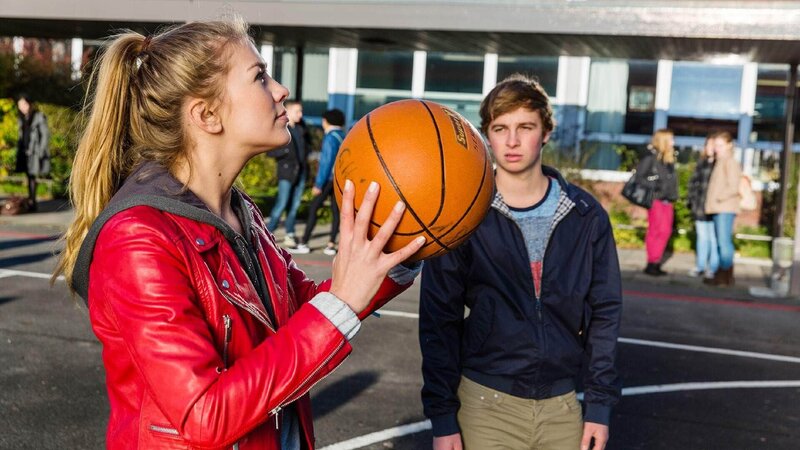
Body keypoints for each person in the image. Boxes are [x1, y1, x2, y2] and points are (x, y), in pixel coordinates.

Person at [52, 19, 425, 450]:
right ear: (206, 115)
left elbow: (301, 307)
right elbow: (203, 415)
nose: (281, 89)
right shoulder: (138, 239)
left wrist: (396, 251)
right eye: (260, 77)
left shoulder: (238, 211)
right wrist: (341, 304)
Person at [419, 74, 622, 450]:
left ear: (545, 132)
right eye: (501, 128)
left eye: (525, 127)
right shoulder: (462, 215)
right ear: (486, 134)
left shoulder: (585, 215)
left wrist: (599, 406)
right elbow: (438, 318)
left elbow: (605, 314)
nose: (512, 141)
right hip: (484, 402)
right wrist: (443, 416)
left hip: (562, 408)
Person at [289, 108, 345, 255]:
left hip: (328, 179)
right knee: (336, 211)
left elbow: (326, 162)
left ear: (326, 121)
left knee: (314, 207)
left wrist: (318, 184)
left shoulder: (330, 138)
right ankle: (331, 244)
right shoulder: (344, 136)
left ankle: (304, 242)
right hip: (340, 180)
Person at [267, 100, 310, 247]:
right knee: (282, 204)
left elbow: (307, 148)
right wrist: (285, 151)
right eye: (298, 111)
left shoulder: (301, 128)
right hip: (287, 172)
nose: (301, 114)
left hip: (301, 172)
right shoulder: (281, 128)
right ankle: (267, 232)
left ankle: (289, 234)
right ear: (289, 111)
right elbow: (271, 151)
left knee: (294, 206)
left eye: (301, 111)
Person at [636, 129, 678, 276]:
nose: (673, 142)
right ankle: (652, 262)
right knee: (656, 231)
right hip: (656, 199)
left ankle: (655, 260)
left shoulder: (668, 160)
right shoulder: (651, 158)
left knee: (665, 231)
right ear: (664, 140)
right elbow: (640, 177)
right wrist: (656, 186)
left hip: (668, 200)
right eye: (671, 139)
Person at [704, 131, 741, 286]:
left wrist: (718, 197)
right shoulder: (720, 161)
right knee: (720, 243)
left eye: (720, 145)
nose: (716, 148)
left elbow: (733, 186)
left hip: (724, 207)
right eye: (715, 145)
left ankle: (725, 275)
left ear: (729, 145)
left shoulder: (730, 161)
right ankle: (722, 275)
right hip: (719, 207)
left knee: (724, 242)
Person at [686, 134, 718, 280]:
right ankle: (700, 266)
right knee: (702, 237)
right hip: (700, 206)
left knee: (713, 238)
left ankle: (712, 268)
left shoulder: (719, 164)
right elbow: (693, 183)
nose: (711, 148)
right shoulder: (702, 163)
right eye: (709, 145)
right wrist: (692, 200)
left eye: (714, 145)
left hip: (715, 208)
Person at [15, 93, 50, 212]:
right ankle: (31, 200)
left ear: (29, 104)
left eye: (24, 104)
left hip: (34, 152)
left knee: (33, 175)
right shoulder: (21, 118)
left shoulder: (38, 116)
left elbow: (44, 135)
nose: (22, 107)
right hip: (24, 151)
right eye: (20, 105)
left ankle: (32, 202)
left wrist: (41, 151)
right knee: (28, 176)